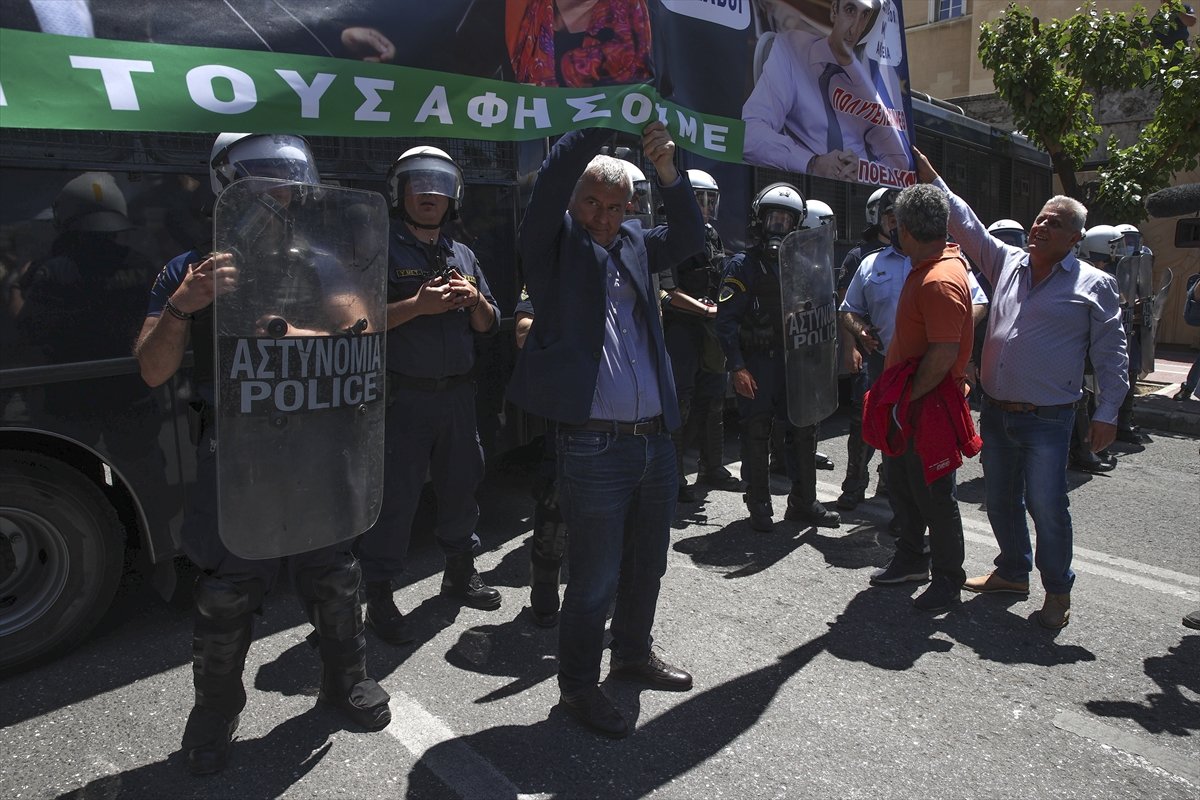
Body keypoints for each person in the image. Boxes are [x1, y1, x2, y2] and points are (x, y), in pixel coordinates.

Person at [133, 132, 392, 775]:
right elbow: (151, 370)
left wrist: (296, 332)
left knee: (334, 576)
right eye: (263, 178)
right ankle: (215, 712)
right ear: (228, 184)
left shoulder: (315, 260)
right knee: (226, 595)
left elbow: (360, 327)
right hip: (240, 455)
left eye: (287, 178)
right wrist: (182, 308)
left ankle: (344, 678)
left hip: (317, 446)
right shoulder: (193, 268)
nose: (279, 191)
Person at [507, 122, 702, 738]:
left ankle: (633, 654)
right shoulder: (553, 245)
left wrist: (668, 171)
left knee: (649, 563)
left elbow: (692, 235)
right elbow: (548, 192)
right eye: (592, 202)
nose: (603, 217)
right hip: (592, 443)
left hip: (655, 439)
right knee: (593, 578)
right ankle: (578, 688)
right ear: (574, 200)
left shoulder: (638, 244)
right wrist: (597, 124)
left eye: (616, 207)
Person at [915, 148, 1128, 630]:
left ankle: (1057, 590)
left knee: (1047, 505)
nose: (1040, 227)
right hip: (997, 409)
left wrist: (1109, 411)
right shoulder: (1007, 261)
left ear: (1073, 238)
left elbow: (1113, 353)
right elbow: (965, 221)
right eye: (1039, 218)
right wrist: (929, 172)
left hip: (1049, 417)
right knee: (1002, 497)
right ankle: (1012, 572)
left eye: (1052, 223)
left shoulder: (1094, 284)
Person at [355, 146, 502, 645]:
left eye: (439, 187)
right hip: (404, 399)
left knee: (462, 484)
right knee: (396, 497)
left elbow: (490, 324)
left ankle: (460, 573)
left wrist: (475, 298)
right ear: (401, 192)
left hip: (457, 397)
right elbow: (356, 321)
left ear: (452, 197)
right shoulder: (380, 247)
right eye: (419, 184)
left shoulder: (462, 254)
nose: (429, 195)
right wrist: (417, 306)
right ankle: (378, 595)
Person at [863, 184, 977, 612]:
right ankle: (912, 556)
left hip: (926, 404)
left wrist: (908, 399)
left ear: (906, 229)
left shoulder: (939, 278)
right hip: (911, 402)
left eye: (896, 224)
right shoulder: (926, 264)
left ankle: (948, 578)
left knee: (934, 493)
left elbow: (944, 352)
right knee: (902, 481)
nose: (892, 230)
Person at [838, 195, 989, 511]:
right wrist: (859, 331)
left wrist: (950, 325)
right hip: (883, 363)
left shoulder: (941, 263)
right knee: (868, 424)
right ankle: (854, 486)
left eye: (900, 220)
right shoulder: (870, 263)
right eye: (890, 218)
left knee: (918, 439)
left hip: (929, 364)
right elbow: (848, 310)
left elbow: (978, 303)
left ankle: (896, 496)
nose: (896, 225)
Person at [715, 182, 842, 533]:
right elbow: (725, 323)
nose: (779, 227)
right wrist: (737, 367)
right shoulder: (743, 266)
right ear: (760, 220)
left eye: (786, 221)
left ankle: (804, 502)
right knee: (756, 432)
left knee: (804, 429)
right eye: (773, 218)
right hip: (757, 364)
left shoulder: (804, 267)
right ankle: (758, 504)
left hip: (795, 364)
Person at [742, 0, 909, 182]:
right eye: (850, 10)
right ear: (834, 10)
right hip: (803, 189)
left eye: (864, 15)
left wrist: (864, 171)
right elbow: (750, 134)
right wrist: (812, 163)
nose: (854, 29)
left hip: (855, 197)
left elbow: (899, 167)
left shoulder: (870, 79)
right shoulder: (790, 51)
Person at [659, 168, 739, 502]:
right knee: (681, 401)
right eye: (700, 198)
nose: (706, 206)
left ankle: (713, 466)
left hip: (709, 329)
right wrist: (703, 309)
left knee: (714, 396)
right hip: (681, 329)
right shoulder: (667, 234)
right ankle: (674, 477)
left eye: (711, 199)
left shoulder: (712, 236)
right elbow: (665, 289)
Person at [506, 0, 654, 87]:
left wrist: (663, 137)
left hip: (620, 138)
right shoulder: (511, 13)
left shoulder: (652, 19)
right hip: (529, 135)